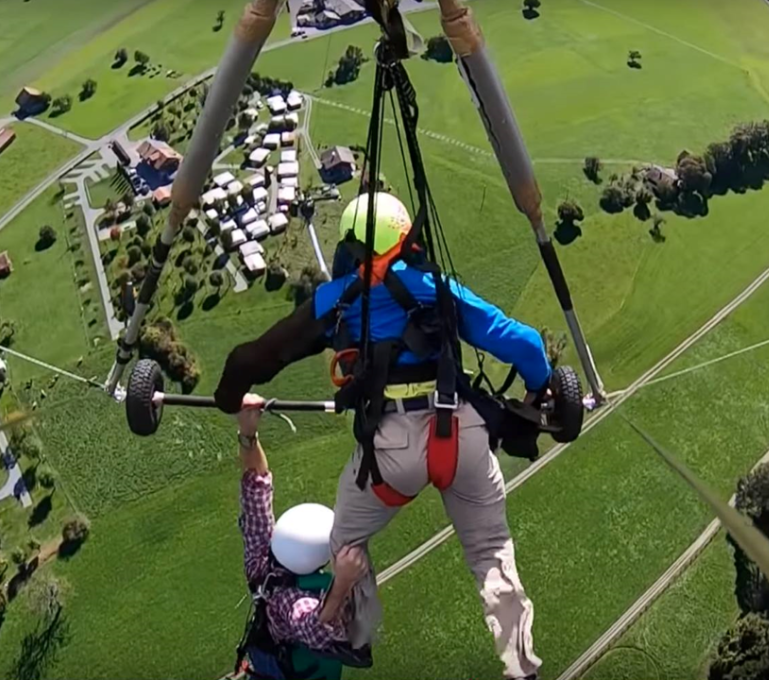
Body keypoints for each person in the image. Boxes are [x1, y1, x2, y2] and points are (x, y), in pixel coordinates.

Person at [217, 193, 550, 679]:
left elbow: (259, 357)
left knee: (345, 540)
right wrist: (541, 387)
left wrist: (231, 395)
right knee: (490, 551)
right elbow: (522, 342)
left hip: (390, 453)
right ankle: (521, 663)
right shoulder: (437, 287)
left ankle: (354, 635)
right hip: (462, 437)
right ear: (403, 240)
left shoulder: (340, 298)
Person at [234, 393, 371, 680]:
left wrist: (248, 432)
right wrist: (343, 581)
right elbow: (317, 630)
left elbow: (256, 482)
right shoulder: (292, 599)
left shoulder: (261, 561)